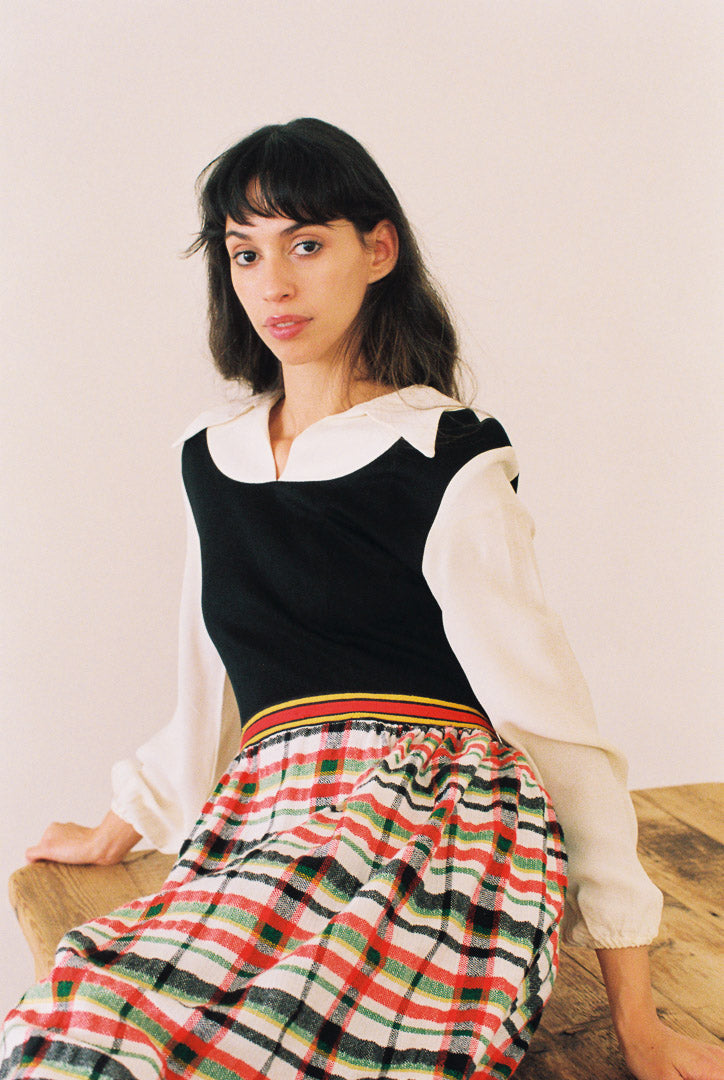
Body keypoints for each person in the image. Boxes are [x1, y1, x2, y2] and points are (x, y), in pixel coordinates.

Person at [1, 118, 721, 1080]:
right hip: (272, 817)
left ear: (377, 249)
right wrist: (122, 819)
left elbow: (553, 727)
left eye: (306, 244)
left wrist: (639, 1018)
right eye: (245, 254)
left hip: (442, 813)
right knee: (88, 1027)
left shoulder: (444, 459)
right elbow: (207, 674)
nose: (273, 284)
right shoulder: (211, 460)